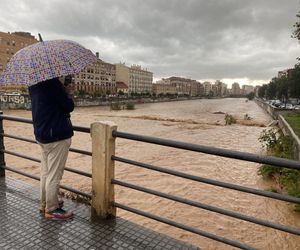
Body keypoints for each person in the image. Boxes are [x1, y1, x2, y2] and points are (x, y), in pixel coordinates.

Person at [29, 76, 74, 220]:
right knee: (54, 175)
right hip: (56, 135)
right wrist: (66, 91)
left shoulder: (33, 83)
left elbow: (47, 105)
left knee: (45, 173)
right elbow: (68, 106)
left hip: (42, 135)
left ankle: (45, 204)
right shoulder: (52, 83)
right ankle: (52, 209)